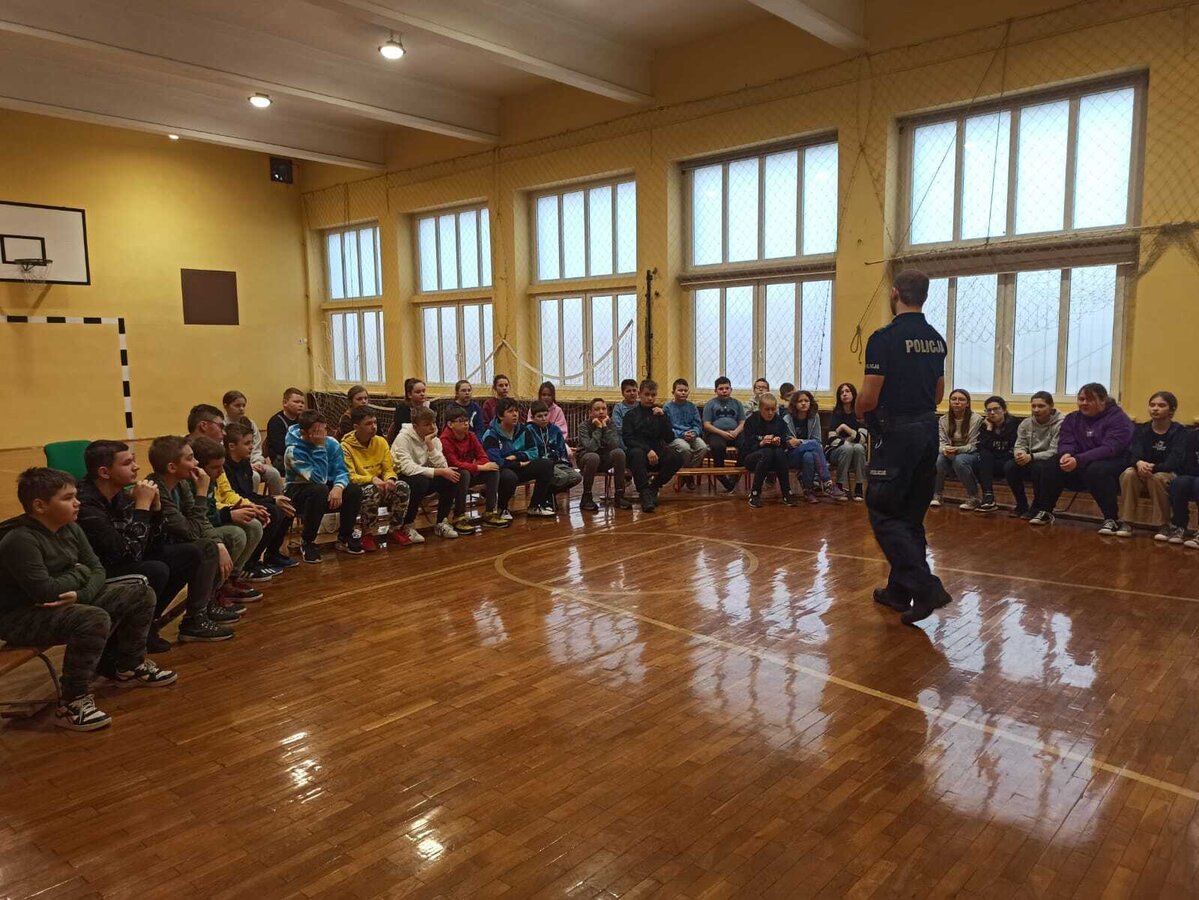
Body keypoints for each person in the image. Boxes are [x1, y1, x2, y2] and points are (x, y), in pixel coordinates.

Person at [0, 468, 176, 731]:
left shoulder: (70, 527)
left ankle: (130, 664)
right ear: (40, 506)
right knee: (92, 618)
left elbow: (97, 569)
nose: (77, 502)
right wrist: (80, 573)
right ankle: (72, 702)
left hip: (65, 600)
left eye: (75, 496)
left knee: (140, 590)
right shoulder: (20, 540)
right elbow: (46, 591)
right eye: (67, 498)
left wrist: (81, 592)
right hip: (19, 617)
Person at [856, 268, 952, 625]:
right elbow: (939, 393)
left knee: (883, 511)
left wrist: (861, 411)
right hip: (928, 430)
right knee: (910, 515)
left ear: (895, 293)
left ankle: (926, 587)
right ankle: (899, 591)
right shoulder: (936, 339)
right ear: (923, 296)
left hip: (898, 433)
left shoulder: (885, 338)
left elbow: (869, 396)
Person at [76, 440, 204, 653]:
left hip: (121, 559)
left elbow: (156, 543)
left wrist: (156, 510)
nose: (136, 467)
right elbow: (127, 554)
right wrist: (142, 507)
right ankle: (123, 638)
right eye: (127, 463)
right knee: (155, 569)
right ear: (105, 472)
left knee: (189, 554)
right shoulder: (86, 505)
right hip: (96, 573)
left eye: (134, 461)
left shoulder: (120, 495)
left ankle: (146, 625)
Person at [146, 436, 238, 640]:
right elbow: (189, 531)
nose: (196, 463)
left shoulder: (181, 485)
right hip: (158, 551)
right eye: (190, 458)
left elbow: (198, 521)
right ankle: (195, 619)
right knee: (205, 548)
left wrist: (219, 544)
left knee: (215, 543)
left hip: (177, 544)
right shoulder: (157, 489)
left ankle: (205, 606)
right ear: (172, 467)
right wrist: (202, 492)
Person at [1031, 383, 1133, 534]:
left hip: (1112, 461)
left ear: (1103, 401)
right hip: (1079, 460)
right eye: (1081, 399)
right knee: (1052, 464)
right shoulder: (1073, 418)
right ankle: (1045, 510)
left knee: (1097, 470)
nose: (1084, 403)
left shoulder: (1119, 419)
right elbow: (1066, 441)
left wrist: (1078, 460)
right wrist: (1066, 454)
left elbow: (1110, 448)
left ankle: (1111, 519)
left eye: (1089, 400)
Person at [190, 437, 267, 601]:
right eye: (215, 467)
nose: (221, 472)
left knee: (253, 525)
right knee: (236, 534)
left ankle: (231, 578)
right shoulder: (192, 484)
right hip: (195, 531)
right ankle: (215, 588)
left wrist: (246, 506)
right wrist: (229, 514)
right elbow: (200, 519)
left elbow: (214, 507)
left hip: (212, 521)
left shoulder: (211, 479)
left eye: (222, 467)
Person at [284, 410, 365, 562]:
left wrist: (338, 488)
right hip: (298, 491)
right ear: (304, 433)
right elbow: (318, 478)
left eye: (324, 430)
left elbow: (342, 471)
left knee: (353, 490)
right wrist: (319, 447)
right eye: (317, 432)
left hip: (325, 487)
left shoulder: (332, 443)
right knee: (319, 490)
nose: (322, 435)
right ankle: (307, 541)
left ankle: (345, 537)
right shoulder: (293, 451)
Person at [222, 423, 297, 569]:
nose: (251, 447)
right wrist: (272, 500)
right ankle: (251, 562)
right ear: (231, 446)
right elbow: (235, 496)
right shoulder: (224, 467)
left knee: (287, 506)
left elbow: (248, 493)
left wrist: (273, 499)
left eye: (252, 442)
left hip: (245, 500)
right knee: (271, 511)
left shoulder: (244, 463)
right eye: (247, 443)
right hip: (233, 506)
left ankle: (273, 554)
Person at [340, 406, 411, 549]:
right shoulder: (345, 446)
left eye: (375, 422)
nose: (373, 427)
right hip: (361, 487)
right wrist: (372, 479)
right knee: (371, 491)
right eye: (368, 424)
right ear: (356, 427)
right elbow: (350, 476)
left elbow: (388, 468)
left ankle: (395, 529)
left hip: (381, 484)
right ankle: (368, 533)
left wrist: (390, 479)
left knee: (402, 487)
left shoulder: (381, 441)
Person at [1118, 391, 1185, 538]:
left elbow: (1174, 461)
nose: (1155, 408)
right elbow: (1133, 454)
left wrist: (1153, 467)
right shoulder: (1142, 429)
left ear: (1172, 410)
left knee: (1157, 478)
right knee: (1129, 474)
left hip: (1167, 473)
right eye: (1152, 405)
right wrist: (1138, 462)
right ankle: (1127, 522)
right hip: (1143, 471)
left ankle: (1164, 525)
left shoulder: (1179, 432)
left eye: (1161, 405)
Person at [391, 406, 464, 539]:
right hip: (402, 479)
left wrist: (430, 445)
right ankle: (408, 525)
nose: (432, 427)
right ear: (415, 426)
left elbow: (443, 466)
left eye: (434, 423)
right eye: (427, 424)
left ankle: (441, 522)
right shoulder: (403, 438)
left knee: (453, 475)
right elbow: (407, 468)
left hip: (425, 475)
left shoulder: (433, 439)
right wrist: (438, 471)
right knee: (420, 481)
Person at [482, 398, 556, 519]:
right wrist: (517, 464)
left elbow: (534, 453)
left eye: (516, 411)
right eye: (510, 411)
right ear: (500, 416)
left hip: (519, 465)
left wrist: (517, 456)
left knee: (546, 464)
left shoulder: (523, 430)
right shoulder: (491, 435)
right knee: (510, 477)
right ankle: (502, 508)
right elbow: (496, 461)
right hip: (501, 470)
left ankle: (535, 506)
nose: (515, 414)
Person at [622, 380, 685, 513]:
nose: (650, 398)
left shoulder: (660, 414)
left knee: (677, 457)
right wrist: (648, 450)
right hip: (638, 453)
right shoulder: (630, 415)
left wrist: (663, 418)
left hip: (657, 452)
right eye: (647, 394)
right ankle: (644, 493)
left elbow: (669, 438)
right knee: (636, 453)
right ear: (640, 394)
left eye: (653, 395)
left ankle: (653, 487)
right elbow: (628, 439)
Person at [440, 406, 507, 529]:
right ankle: (459, 516)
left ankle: (490, 512)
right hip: (452, 477)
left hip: (471, 473)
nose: (466, 424)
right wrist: (479, 468)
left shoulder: (471, 435)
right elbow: (454, 463)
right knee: (463, 473)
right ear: (450, 424)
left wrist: (478, 467)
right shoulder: (444, 440)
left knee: (493, 469)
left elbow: (483, 457)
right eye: (460, 421)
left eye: (466, 420)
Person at [1007, 391, 1061, 519]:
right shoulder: (1026, 423)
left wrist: (1031, 457)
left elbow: (1055, 450)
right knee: (1010, 466)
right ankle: (1021, 505)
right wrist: (1019, 454)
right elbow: (1019, 444)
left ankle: (1037, 506)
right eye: (1033, 406)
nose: (1036, 410)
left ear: (1051, 406)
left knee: (1039, 468)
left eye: (1041, 406)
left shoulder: (1060, 423)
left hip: (1049, 460)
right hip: (1029, 457)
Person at [783, 390, 844, 501]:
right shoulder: (787, 419)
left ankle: (808, 491)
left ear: (810, 403)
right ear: (794, 404)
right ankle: (828, 483)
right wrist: (795, 442)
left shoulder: (814, 417)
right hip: (791, 455)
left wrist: (800, 441)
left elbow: (817, 440)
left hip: (808, 452)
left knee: (808, 456)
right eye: (800, 401)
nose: (803, 403)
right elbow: (787, 443)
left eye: (806, 401)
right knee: (814, 445)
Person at [222, 390, 283, 495]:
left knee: (273, 473)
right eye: (237, 405)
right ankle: (251, 501)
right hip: (234, 466)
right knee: (254, 476)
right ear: (226, 406)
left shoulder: (250, 423)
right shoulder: (222, 425)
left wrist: (258, 462)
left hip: (254, 462)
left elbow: (256, 447)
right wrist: (249, 466)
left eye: (243, 405)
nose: (241, 408)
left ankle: (278, 500)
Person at [739, 394, 796, 507]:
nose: (770, 413)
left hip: (775, 459)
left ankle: (786, 492)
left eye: (773, 409)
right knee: (767, 453)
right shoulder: (751, 421)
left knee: (779, 453)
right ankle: (755, 493)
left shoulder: (779, 422)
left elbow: (785, 442)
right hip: (752, 457)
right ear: (760, 409)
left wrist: (779, 442)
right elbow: (746, 446)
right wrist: (761, 443)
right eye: (767, 409)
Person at [931, 389, 982, 510]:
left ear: (967, 403)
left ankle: (974, 497)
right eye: (953, 399)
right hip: (949, 452)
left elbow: (973, 445)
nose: (957, 402)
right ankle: (937, 495)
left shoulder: (976, 419)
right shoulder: (943, 420)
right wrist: (945, 450)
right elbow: (941, 442)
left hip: (971, 453)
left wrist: (956, 450)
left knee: (959, 461)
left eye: (961, 399)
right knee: (938, 460)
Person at [577, 397, 629, 511]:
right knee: (593, 457)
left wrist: (605, 427)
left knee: (619, 453)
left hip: (604, 458)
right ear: (590, 413)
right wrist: (598, 429)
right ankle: (586, 497)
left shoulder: (611, 424)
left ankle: (619, 495)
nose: (601, 412)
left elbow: (614, 445)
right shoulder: (583, 426)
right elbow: (590, 448)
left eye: (604, 409)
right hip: (586, 458)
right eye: (597, 409)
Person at [526, 399, 580, 508]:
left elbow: (561, 450)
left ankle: (549, 493)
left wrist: (566, 464)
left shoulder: (555, 430)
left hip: (557, 463)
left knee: (576, 477)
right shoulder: (528, 430)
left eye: (546, 415)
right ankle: (545, 497)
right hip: (541, 464)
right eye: (539, 416)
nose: (544, 418)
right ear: (533, 417)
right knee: (562, 477)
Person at [976, 396, 1018, 512]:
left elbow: (1015, 446)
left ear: (1004, 410)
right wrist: (989, 429)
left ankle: (1021, 504)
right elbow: (982, 446)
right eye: (989, 410)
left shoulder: (1014, 424)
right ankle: (988, 496)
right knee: (983, 456)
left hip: (1008, 459)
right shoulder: (985, 425)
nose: (992, 413)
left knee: (1007, 464)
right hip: (991, 461)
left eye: (996, 409)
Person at [702, 376, 746, 491]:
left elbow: (742, 422)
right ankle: (720, 474)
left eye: (727, 388)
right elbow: (707, 424)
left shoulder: (737, 403)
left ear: (731, 389)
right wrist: (722, 433)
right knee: (718, 446)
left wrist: (736, 432)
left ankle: (736, 474)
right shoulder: (710, 404)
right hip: (717, 433)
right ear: (715, 390)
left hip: (734, 432)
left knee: (746, 444)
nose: (724, 391)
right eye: (721, 389)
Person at [664, 379, 709, 488]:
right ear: (673, 392)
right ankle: (688, 476)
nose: (683, 393)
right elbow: (667, 428)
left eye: (685, 390)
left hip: (691, 434)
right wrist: (682, 434)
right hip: (675, 436)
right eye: (680, 390)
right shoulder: (667, 407)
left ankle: (685, 474)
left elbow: (697, 424)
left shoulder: (692, 406)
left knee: (703, 448)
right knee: (685, 449)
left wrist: (694, 433)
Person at [828, 383, 868, 501]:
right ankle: (839, 485)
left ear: (853, 394)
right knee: (849, 448)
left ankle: (859, 486)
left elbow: (862, 439)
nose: (844, 394)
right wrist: (850, 440)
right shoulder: (835, 414)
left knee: (859, 448)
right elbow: (831, 440)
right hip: (836, 452)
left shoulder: (860, 413)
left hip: (855, 451)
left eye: (847, 391)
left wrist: (844, 428)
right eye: (841, 392)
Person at [1165, 426, 1199, 547]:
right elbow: (1187, 463)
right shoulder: (1193, 436)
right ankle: (1179, 526)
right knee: (1179, 483)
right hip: (1193, 473)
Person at [267, 387, 306, 472]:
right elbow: (280, 448)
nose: (300, 405)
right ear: (285, 403)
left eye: (302, 403)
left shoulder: (303, 420)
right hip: (281, 459)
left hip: (301, 455)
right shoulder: (276, 421)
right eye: (296, 402)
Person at [387, 378, 428, 444]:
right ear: (409, 395)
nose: (422, 394)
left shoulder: (430, 407)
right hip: (405, 441)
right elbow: (402, 429)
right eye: (418, 392)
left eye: (423, 391)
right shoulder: (402, 409)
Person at [612, 378, 640, 449]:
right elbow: (618, 427)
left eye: (634, 390)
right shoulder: (618, 408)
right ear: (623, 393)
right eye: (628, 391)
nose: (632, 393)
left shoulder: (642, 406)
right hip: (624, 440)